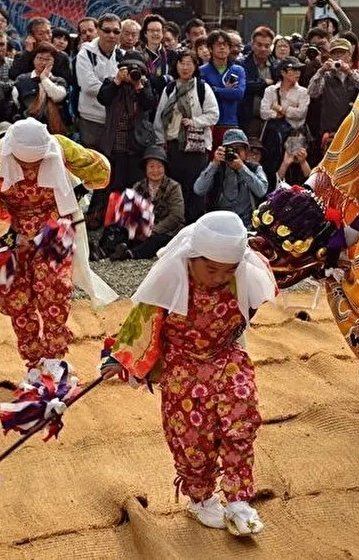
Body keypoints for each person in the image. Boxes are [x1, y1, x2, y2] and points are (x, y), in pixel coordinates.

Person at [101, 211, 275, 536]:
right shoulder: (171, 278)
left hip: (227, 358)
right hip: (183, 368)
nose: (220, 277)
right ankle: (201, 499)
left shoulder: (244, 275)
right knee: (193, 439)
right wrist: (120, 359)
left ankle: (238, 499)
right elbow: (142, 322)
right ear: (192, 259)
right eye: (211, 269)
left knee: (242, 420)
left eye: (228, 270)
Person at [0, 118, 113, 368]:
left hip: (54, 223)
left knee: (54, 288)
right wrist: (12, 237)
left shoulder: (60, 146)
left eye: (38, 161)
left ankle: (52, 357)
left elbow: (101, 172)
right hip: (11, 227)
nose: (32, 167)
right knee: (17, 296)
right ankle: (33, 360)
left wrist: (76, 193)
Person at [154, 49, 219, 225]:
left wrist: (195, 122)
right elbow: (160, 117)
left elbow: (214, 114)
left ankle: (194, 222)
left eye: (189, 63)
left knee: (196, 187)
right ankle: (176, 222)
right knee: (176, 186)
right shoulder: (169, 88)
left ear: (195, 66)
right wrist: (160, 142)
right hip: (174, 145)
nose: (185, 67)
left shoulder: (202, 88)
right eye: (181, 63)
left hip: (197, 147)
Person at [107, 145, 185, 260]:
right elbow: (131, 211)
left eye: (159, 166)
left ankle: (130, 254)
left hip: (166, 230)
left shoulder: (173, 187)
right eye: (151, 166)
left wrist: (154, 230)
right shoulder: (138, 186)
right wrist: (136, 227)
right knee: (122, 232)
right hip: (143, 228)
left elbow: (176, 216)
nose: (155, 170)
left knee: (157, 241)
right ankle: (112, 249)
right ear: (145, 168)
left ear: (165, 168)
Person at [96, 50, 156, 193]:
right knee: (115, 184)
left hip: (137, 142)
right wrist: (117, 81)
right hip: (115, 142)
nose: (132, 73)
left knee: (135, 185)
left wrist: (138, 86)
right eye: (129, 69)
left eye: (137, 70)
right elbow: (103, 99)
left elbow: (149, 104)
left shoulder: (144, 84)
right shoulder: (112, 82)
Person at [193, 129, 269, 227]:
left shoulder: (255, 168)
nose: (234, 153)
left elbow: (261, 191)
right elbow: (198, 190)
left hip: (246, 223)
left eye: (238, 149)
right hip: (218, 222)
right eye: (230, 149)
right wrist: (214, 164)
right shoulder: (217, 168)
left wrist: (242, 168)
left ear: (246, 152)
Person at [259, 56, 309, 188]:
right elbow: (264, 112)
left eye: (299, 70)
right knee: (271, 166)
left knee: (294, 167)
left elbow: (301, 114)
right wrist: (276, 114)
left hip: (295, 135)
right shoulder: (271, 90)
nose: (298, 72)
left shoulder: (303, 92)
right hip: (274, 135)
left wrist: (280, 108)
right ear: (283, 72)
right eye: (294, 69)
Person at [75, 14, 123, 150]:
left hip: (115, 117)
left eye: (116, 31)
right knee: (92, 161)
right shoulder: (85, 54)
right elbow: (88, 86)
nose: (112, 35)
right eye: (107, 31)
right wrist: (115, 85)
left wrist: (112, 85)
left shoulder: (122, 55)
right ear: (99, 31)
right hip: (91, 118)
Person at [307, 39, 359, 137]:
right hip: (330, 130)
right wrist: (321, 71)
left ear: (350, 56)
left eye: (342, 53)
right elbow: (312, 93)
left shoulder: (358, 74)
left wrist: (349, 72)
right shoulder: (325, 76)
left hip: (352, 128)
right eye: (335, 53)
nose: (338, 56)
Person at [199, 30, 246, 149]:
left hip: (231, 122)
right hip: (209, 123)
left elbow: (238, 94)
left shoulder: (238, 70)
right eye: (218, 44)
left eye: (225, 44)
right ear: (210, 48)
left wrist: (214, 90)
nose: (222, 47)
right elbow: (202, 94)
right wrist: (226, 91)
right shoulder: (201, 71)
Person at [14, 44, 69, 133]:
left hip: (53, 130)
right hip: (28, 128)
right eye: (40, 58)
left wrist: (44, 78)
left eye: (48, 59)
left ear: (54, 62)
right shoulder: (22, 80)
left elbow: (58, 97)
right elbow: (16, 103)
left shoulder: (59, 81)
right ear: (33, 60)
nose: (43, 62)